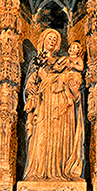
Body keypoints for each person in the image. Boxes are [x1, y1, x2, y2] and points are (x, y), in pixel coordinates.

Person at [23, 29, 85, 181]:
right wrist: (30, 87)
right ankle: (38, 171)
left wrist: (62, 79)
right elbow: (31, 81)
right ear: (43, 39)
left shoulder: (62, 60)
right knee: (41, 135)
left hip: (61, 101)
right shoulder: (36, 60)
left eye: (55, 39)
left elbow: (74, 78)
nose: (52, 41)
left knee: (61, 134)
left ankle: (62, 170)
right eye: (49, 38)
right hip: (44, 101)